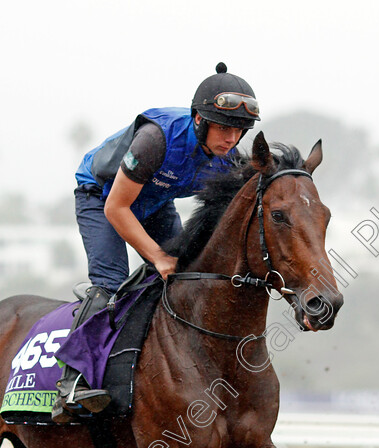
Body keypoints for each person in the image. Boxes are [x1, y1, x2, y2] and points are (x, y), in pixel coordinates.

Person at [52, 63, 260, 423]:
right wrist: (158, 257)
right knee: (110, 284)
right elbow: (116, 208)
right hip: (102, 197)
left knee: (185, 276)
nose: (231, 139)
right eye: (224, 128)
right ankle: (70, 384)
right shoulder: (156, 140)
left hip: (155, 203)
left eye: (239, 131)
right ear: (198, 120)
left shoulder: (230, 159)